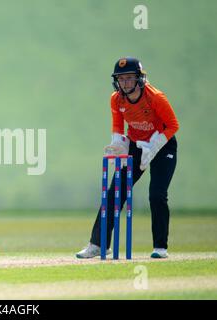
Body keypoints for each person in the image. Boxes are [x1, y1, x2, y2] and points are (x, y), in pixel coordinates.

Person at [76, 57, 179, 259]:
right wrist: (119, 145)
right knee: (115, 192)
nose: (125, 83)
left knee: (157, 194)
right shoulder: (116, 99)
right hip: (135, 145)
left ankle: (160, 247)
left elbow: (173, 125)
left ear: (140, 79)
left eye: (130, 78)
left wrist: (154, 145)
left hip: (162, 144)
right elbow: (118, 126)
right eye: (121, 79)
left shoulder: (156, 97)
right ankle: (98, 244)